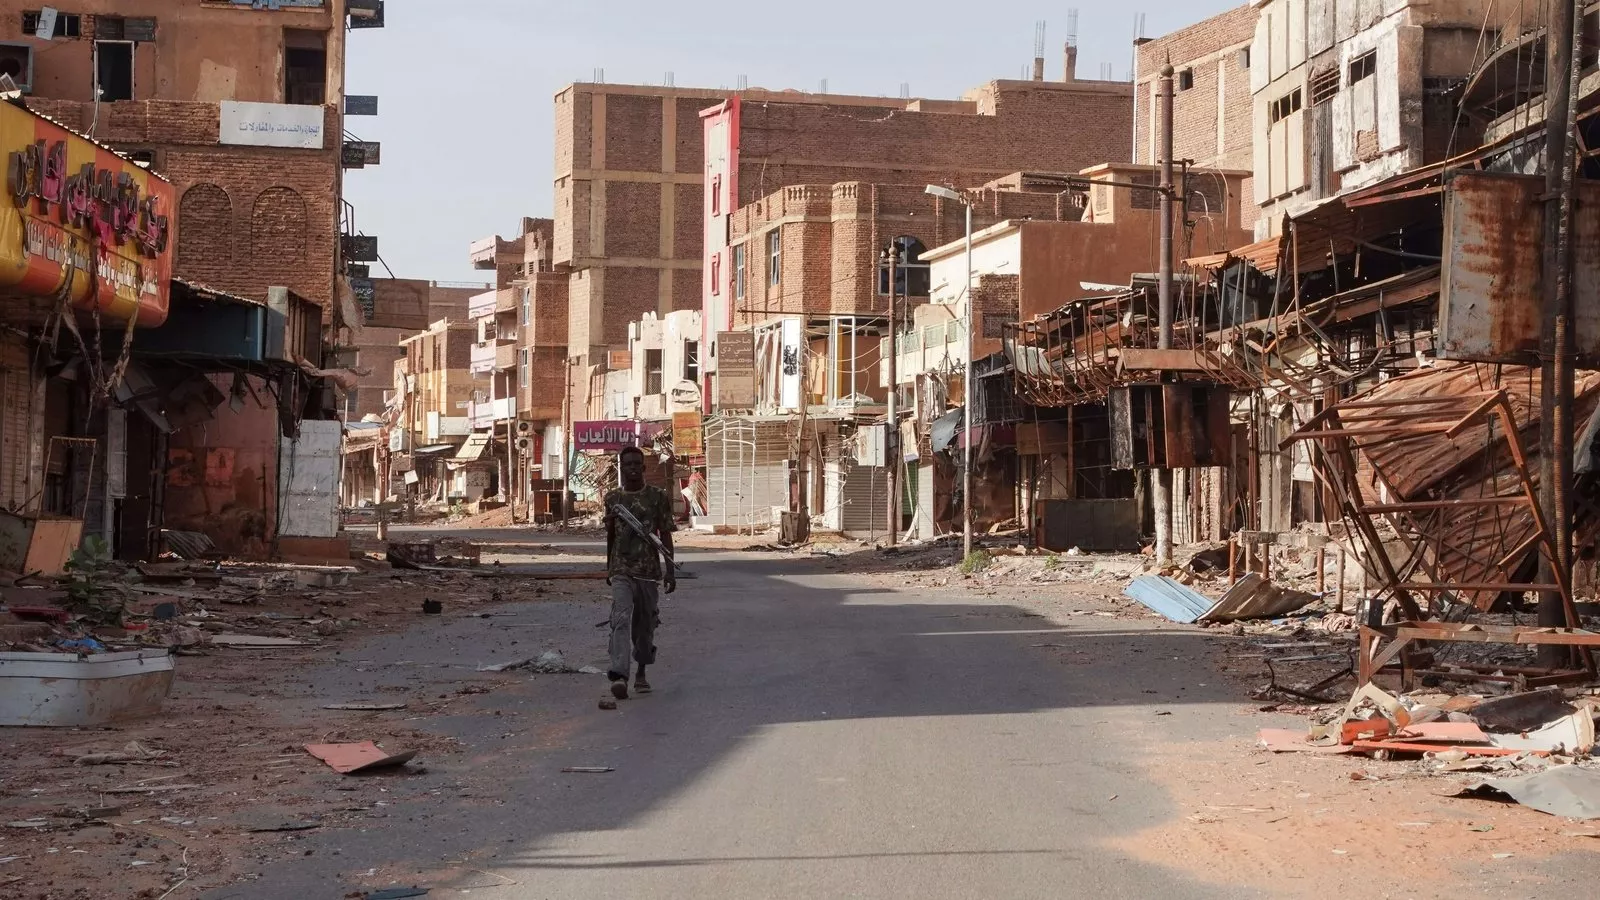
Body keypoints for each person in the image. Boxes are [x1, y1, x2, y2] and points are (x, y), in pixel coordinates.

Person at [599, 445, 676, 710]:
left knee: (645, 625)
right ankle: (620, 675)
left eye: (636, 464)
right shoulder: (613, 498)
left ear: (643, 468)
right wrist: (609, 567)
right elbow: (611, 535)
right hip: (622, 569)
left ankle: (641, 671)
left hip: (648, 572)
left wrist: (670, 570)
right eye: (627, 464)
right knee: (620, 619)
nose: (632, 468)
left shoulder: (657, 497)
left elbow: (665, 534)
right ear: (621, 468)